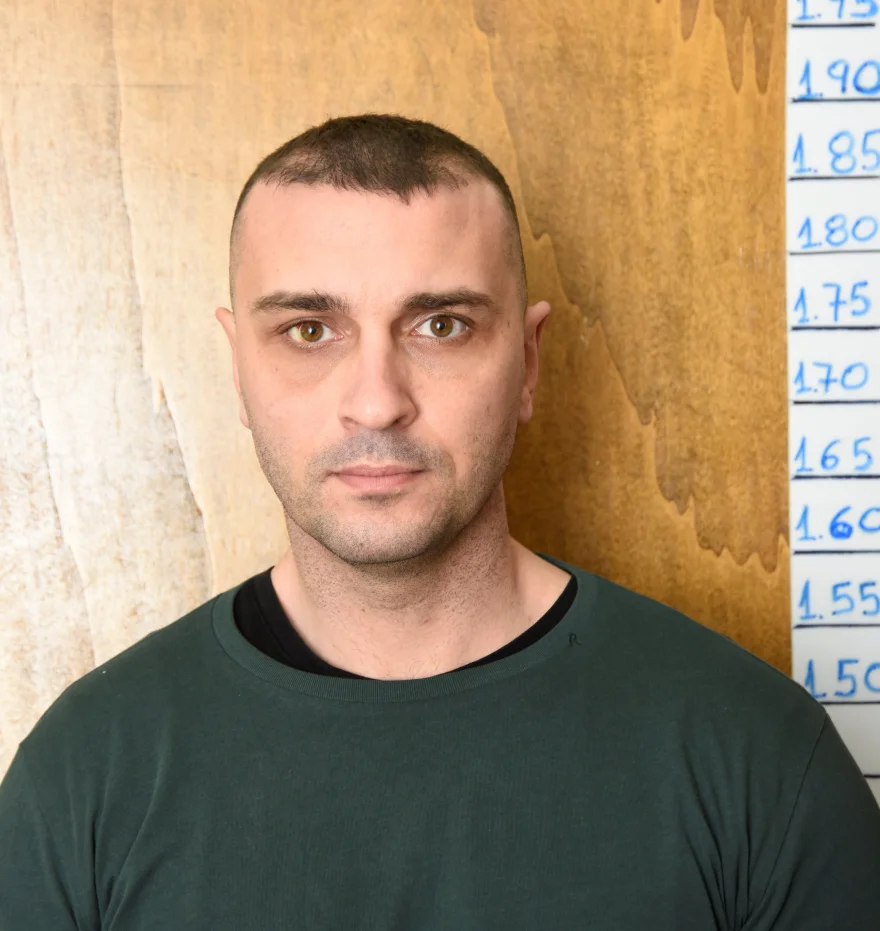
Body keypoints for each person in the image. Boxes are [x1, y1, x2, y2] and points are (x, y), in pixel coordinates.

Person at [1, 113, 879, 931]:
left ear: (527, 363)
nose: (376, 401)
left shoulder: (754, 754)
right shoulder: (85, 773)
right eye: (309, 330)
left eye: (442, 325)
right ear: (238, 368)